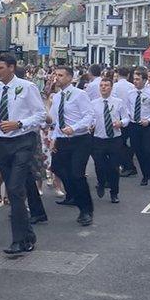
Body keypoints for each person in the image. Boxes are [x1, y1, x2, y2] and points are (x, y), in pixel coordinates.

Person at [0, 54, 47, 255]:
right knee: (14, 191)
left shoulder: (27, 87)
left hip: (23, 141)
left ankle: (18, 240)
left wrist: (19, 123)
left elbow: (40, 115)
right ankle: (28, 235)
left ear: (11, 68)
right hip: (3, 143)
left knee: (14, 188)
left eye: (0, 68)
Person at [48, 65, 95, 226]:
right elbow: (55, 120)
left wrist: (73, 128)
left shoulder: (79, 95)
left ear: (69, 77)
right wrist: (53, 137)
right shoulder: (57, 97)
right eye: (56, 75)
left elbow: (89, 116)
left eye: (61, 75)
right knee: (57, 168)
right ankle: (73, 195)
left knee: (77, 174)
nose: (57, 78)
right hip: (62, 139)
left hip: (79, 139)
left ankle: (86, 210)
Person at [90, 77, 128, 204]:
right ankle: (101, 182)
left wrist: (120, 123)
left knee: (114, 167)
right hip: (99, 139)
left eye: (106, 85)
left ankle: (114, 192)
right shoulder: (93, 103)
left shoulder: (118, 102)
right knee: (99, 165)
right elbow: (91, 118)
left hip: (114, 139)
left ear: (111, 87)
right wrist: (91, 124)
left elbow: (126, 118)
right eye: (101, 85)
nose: (104, 87)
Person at [130, 70, 150, 187]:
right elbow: (127, 108)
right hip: (134, 126)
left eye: (138, 79)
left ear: (144, 80)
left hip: (147, 126)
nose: (135, 81)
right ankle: (145, 175)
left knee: (149, 151)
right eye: (134, 79)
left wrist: (148, 121)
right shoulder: (130, 93)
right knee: (139, 152)